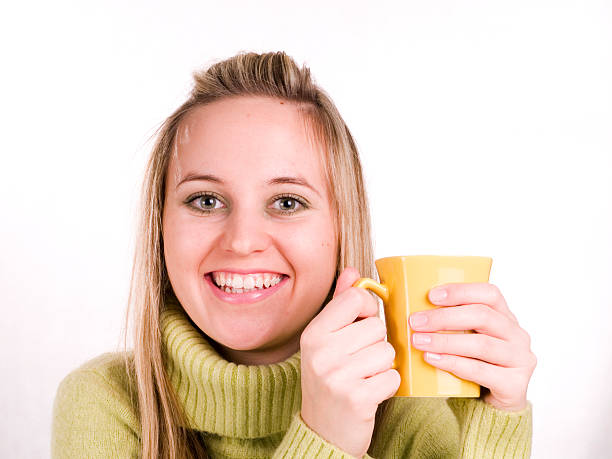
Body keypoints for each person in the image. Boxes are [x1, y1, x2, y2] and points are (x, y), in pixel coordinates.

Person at [51, 51, 536, 459]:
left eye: (287, 202)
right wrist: (325, 440)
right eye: (205, 200)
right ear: (160, 227)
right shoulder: (106, 401)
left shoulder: (415, 414)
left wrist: (499, 422)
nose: (242, 241)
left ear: (342, 229)